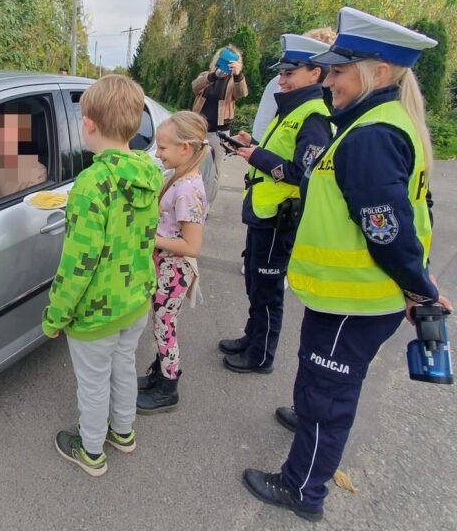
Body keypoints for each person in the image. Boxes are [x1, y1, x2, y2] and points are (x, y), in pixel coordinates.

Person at [242, 7, 453, 522]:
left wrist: (420, 289)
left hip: (354, 300)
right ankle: (306, 428)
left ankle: (303, 489)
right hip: (346, 296)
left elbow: (389, 231)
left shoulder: (372, 136)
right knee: (321, 386)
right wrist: (417, 286)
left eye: (338, 70)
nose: (328, 80)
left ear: (378, 71)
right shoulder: (374, 123)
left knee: (328, 399)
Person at [43, 74, 163, 476]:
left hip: (95, 312)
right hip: (135, 301)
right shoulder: (148, 171)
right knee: (124, 364)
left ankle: (92, 451)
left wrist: (55, 316)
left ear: (89, 123)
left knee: (93, 383)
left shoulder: (91, 184)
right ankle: (123, 432)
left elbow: (78, 265)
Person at [219, 35, 333, 374]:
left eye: (290, 74)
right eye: (281, 74)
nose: (281, 80)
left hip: (280, 218)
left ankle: (261, 355)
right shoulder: (292, 109)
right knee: (255, 283)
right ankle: (251, 337)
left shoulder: (314, 116)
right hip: (263, 212)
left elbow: (303, 172)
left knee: (268, 290)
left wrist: (259, 156)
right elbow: (281, 153)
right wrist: (250, 144)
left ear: (315, 73)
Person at [135, 111, 207, 414]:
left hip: (174, 270)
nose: (158, 153)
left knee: (165, 326)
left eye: (163, 148)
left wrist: (150, 239)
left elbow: (192, 245)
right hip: (165, 268)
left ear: (185, 148)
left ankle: (168, 387)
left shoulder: (188, 189)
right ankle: (160, 373)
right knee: (161, 324)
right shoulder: (181, 178)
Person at [252, 28, 337, 143]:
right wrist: (258, 148)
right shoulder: (282, 86)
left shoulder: (334, 92)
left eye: (289, 73)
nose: (282, 81)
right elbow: (263, 127)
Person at [191, 44, 248, 207]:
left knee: (213, 171)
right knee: (194, 165)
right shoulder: (207, 76)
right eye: (225, 59)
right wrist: (213, 76)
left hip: (219, 132)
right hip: (199, 129)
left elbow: (242, 93)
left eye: (233, 61)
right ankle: (192, 199)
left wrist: (238, 75)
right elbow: (195, 87)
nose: (228, 63)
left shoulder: (234, 81)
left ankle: (206, 204)